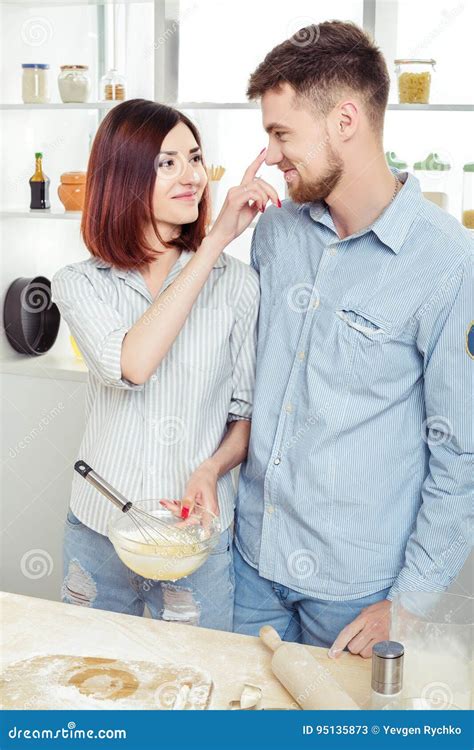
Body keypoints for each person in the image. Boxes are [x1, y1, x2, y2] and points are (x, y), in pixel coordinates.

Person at [233, 20, 473, 656]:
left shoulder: (449, 261)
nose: (274, 155)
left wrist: (410, 601)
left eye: (282, 134)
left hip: (354, 595)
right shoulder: (275, 235)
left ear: (345, 120)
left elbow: (462, 455)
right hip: (247, 564)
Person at [52, 98, 281, 629]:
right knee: (94, 690)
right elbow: (132, 365)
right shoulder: (81, 283)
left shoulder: (236, 285)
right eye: (167, 162)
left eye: (196, 159)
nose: (192, 177)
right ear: (123, 177)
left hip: (194, 542)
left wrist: (212, 467)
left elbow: (244, 417)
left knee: (196, 697)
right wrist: (215, 241)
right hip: (100, 536)